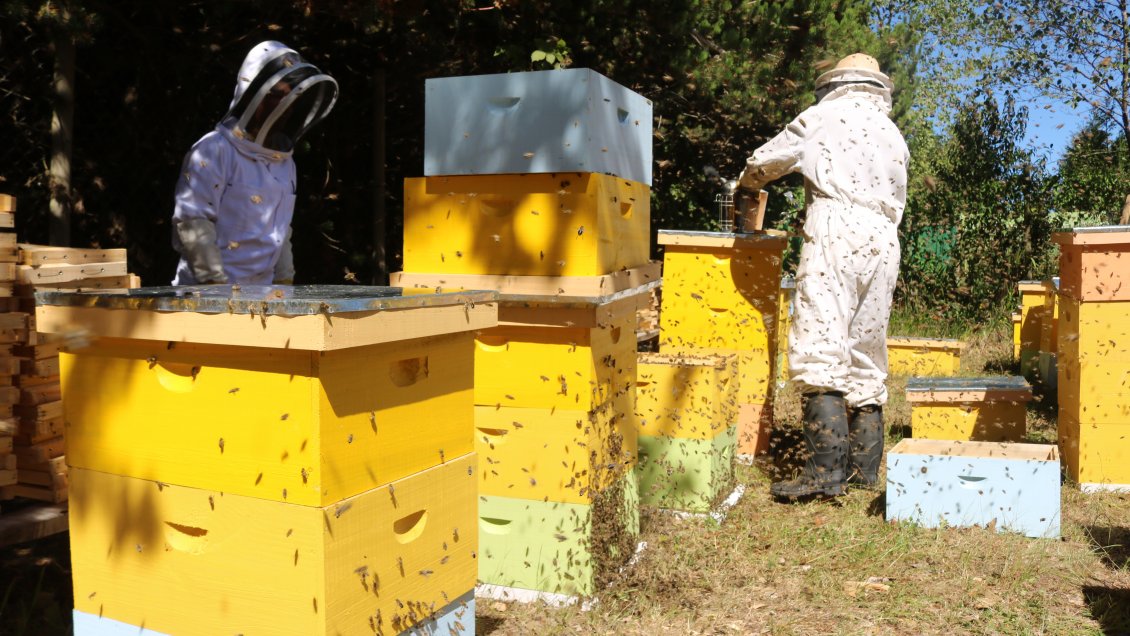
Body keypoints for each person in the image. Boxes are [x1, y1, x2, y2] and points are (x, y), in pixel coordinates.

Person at [736, 53, 909, 499]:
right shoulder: (893, 134)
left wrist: (748, 186)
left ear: (836, 84)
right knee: (865, 350)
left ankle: (823, 474)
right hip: (885, 239)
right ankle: (863, 472)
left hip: (836, 230)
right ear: (877, 88)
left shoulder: (822, 116)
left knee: (820, 343)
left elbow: (763, 162)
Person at [171, 40, 338, 286]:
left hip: (262, 298)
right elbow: (193, 222)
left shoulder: (283, 161)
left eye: (289, 97)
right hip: (206, 301)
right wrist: (216, 289)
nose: (283, 105)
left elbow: (280, 231)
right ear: (251, 95)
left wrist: (284, 283)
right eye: (275, 95)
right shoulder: (214, 150)